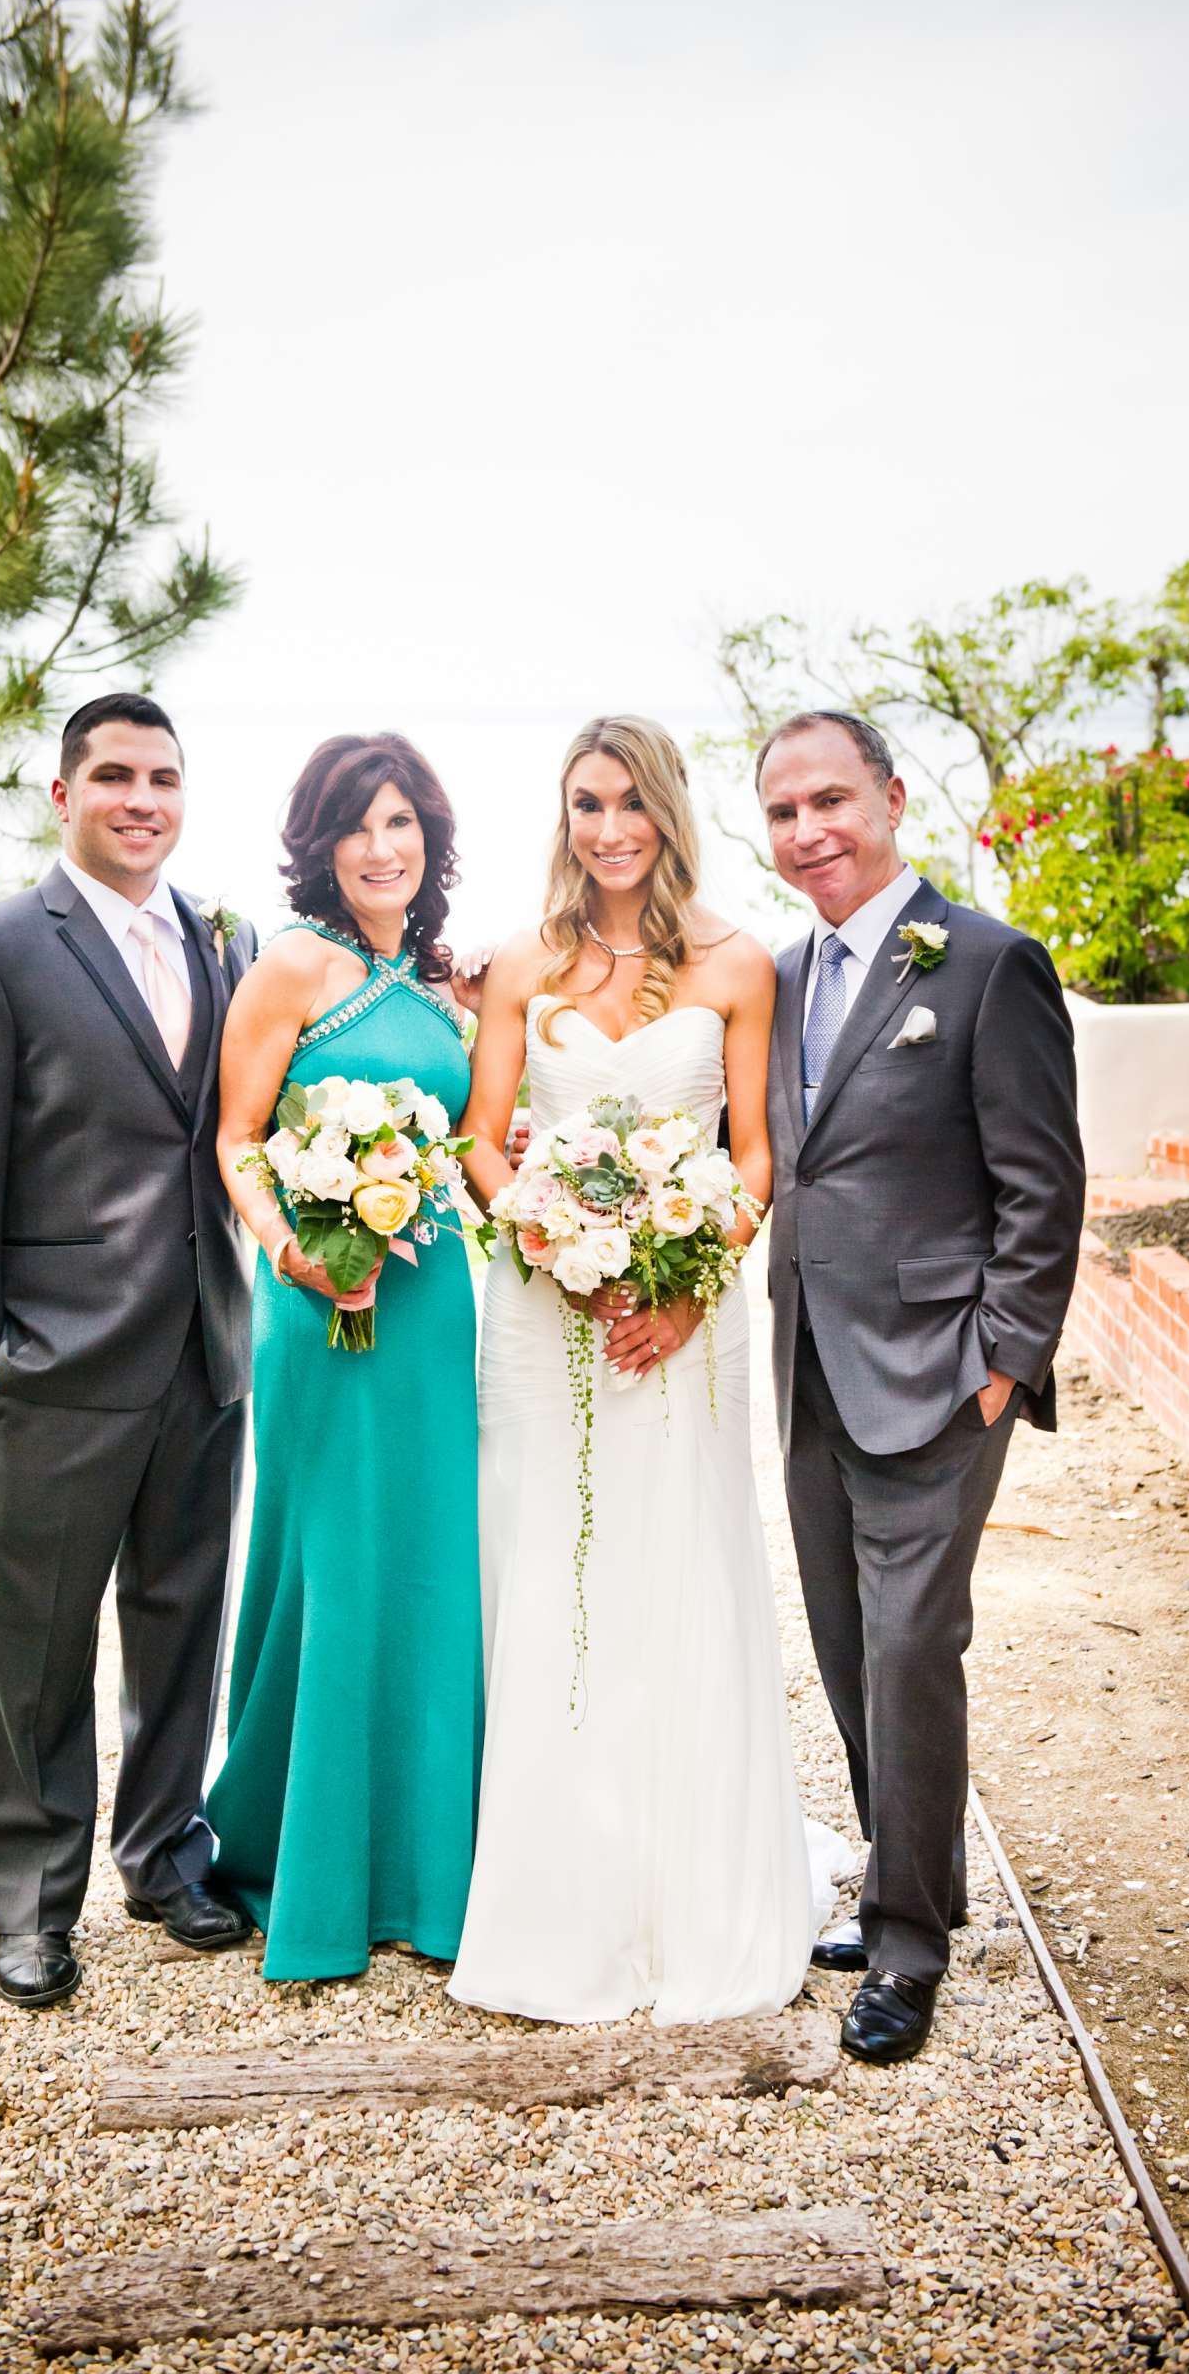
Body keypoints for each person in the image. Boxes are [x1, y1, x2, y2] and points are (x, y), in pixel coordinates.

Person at [447, 714, 849, 2027]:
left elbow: (750, 1161)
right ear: (562, 815)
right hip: (539, 1313)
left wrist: (680, 1291)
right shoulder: (521, 962)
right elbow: (481, 1145)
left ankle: (695, 1895)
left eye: (629, 802)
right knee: (548, 1579)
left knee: (676, 1570)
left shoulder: (738, 965)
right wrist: (553, 1243)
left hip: (682, 1327)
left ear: (668, 811)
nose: (607, 828)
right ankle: (552, 1895)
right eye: (584, 803)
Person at [0, 694, 255, 2007]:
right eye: (114, 776)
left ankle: (163, 1857)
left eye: (164, 776)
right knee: (39, 1646)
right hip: (51, 1362)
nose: (142, 799)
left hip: (202, 1352)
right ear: (64, 794)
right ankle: (33, 1904)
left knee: (181, 1624)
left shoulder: (221, 942)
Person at [760, 709, 1084, 2065]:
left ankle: (906, 1948)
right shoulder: (779, 977)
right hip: (810, 1369)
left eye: (831, 800)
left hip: (943, 1374)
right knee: (843, 1649)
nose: (809, 832)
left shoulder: (988, 962)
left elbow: (1044, 1181)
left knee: (909, 1650)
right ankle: (914, 1870)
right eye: (781, 814)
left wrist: (1004, 1362)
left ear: (891, 798)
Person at [207, 734, 482, 1979]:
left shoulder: (436, 987)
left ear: (431, 840)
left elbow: (481, 1138)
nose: (384, 848)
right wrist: (291, 1249)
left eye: (403, 825)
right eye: (358, 827)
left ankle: (431, 1874)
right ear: (321, 846)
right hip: (321, 1310)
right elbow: (237, 1140)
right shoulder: (292, 967)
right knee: (333, 1564)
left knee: (430, 1572)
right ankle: (299, 1857)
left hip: (430, 1313)